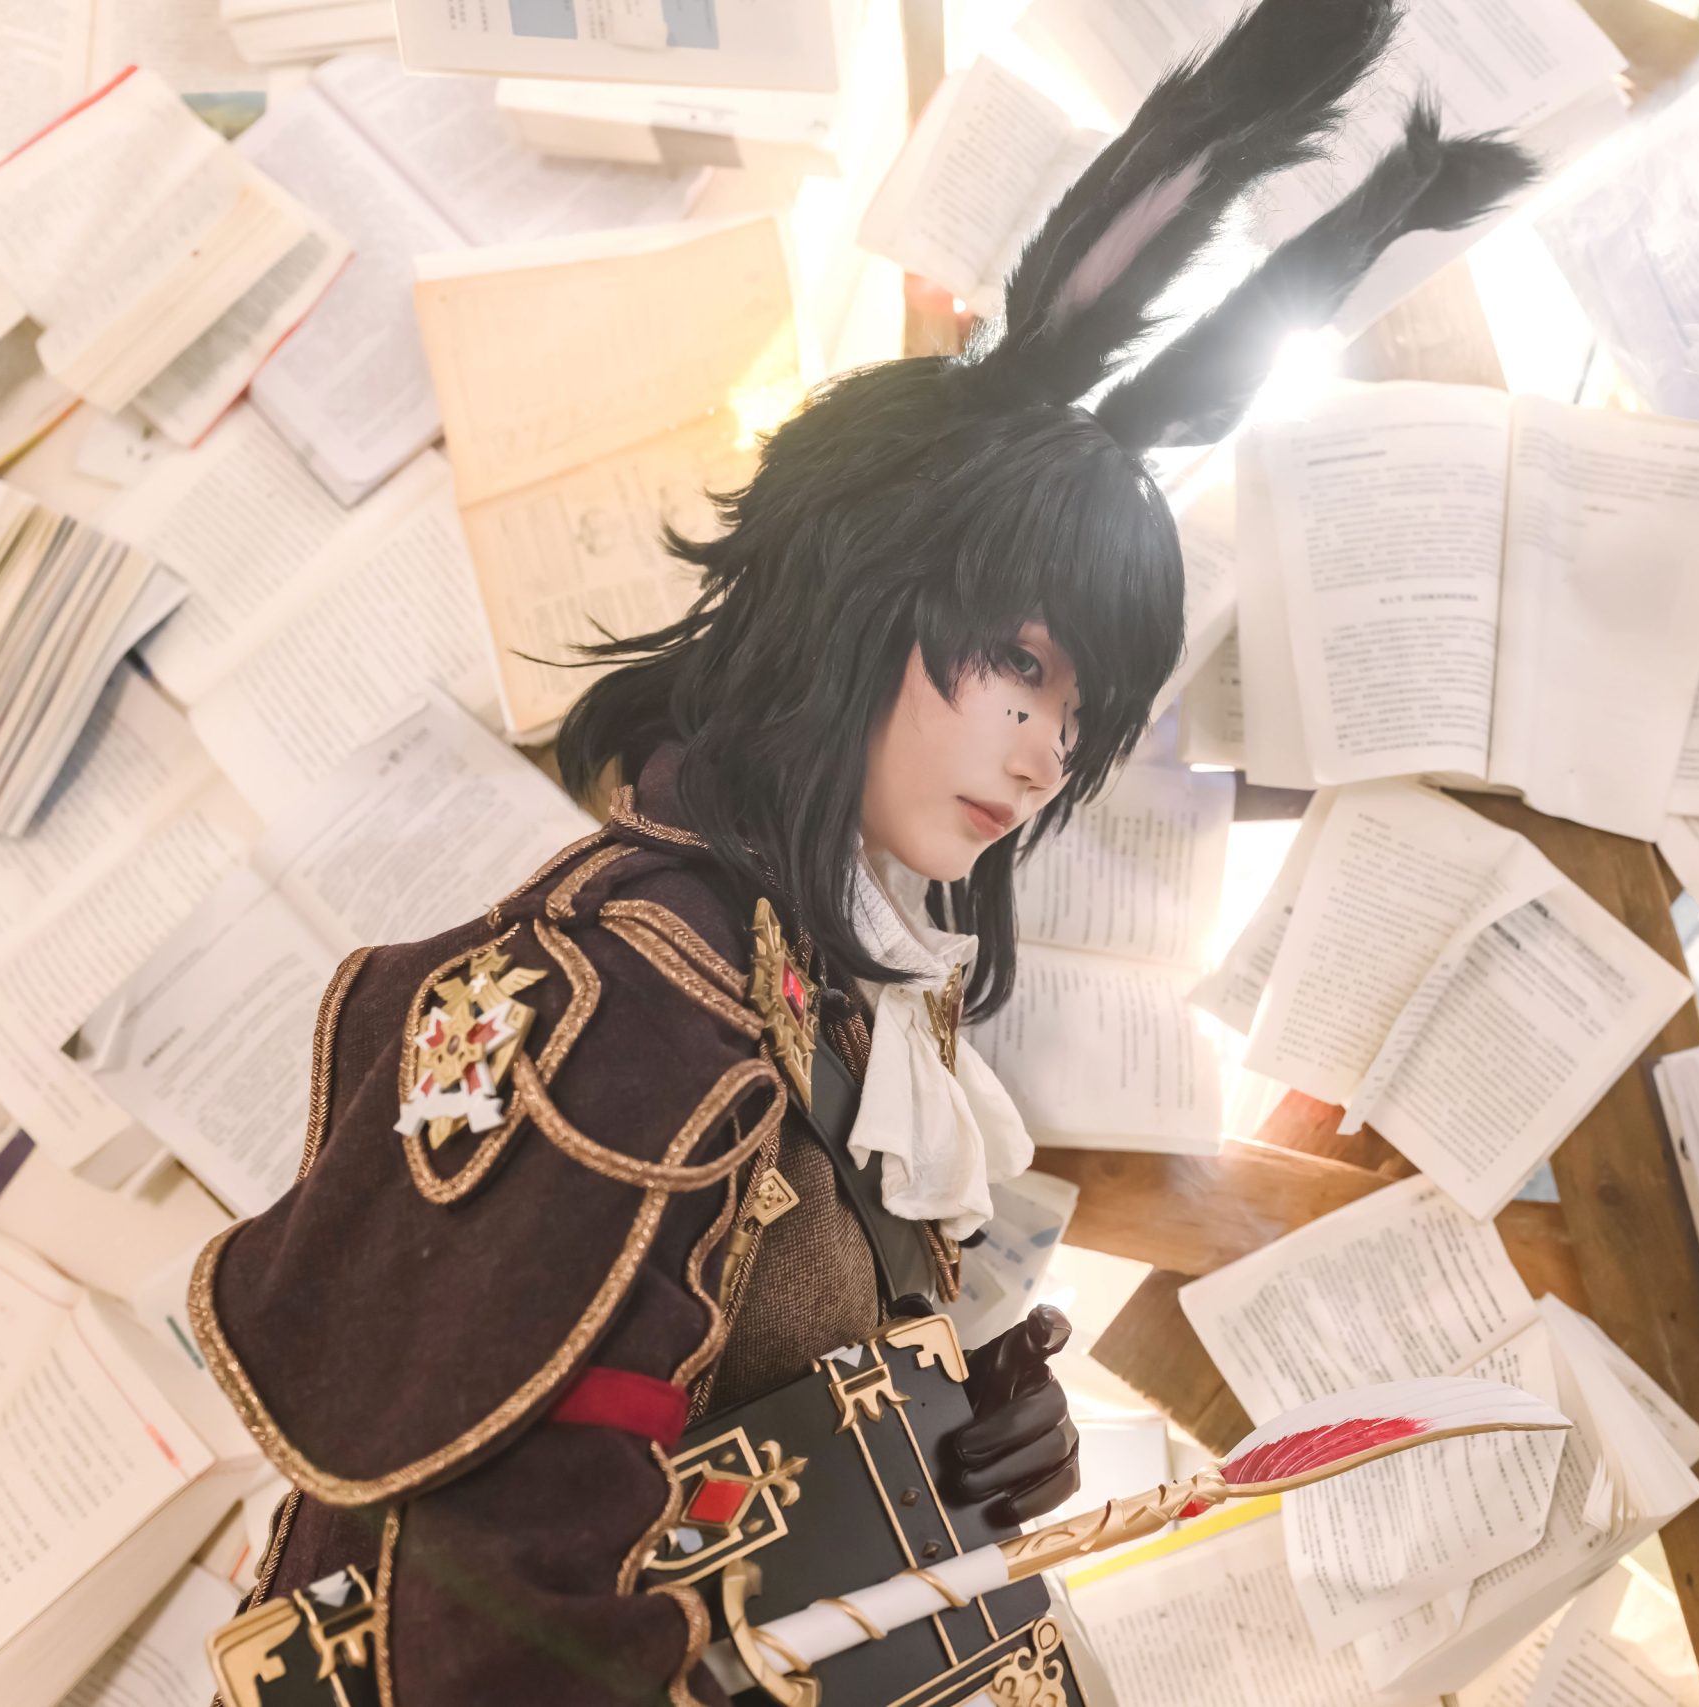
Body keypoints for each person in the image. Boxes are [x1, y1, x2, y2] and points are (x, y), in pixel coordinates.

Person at [189, 0, 1534, 1699]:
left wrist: (953, 1433)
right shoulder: (622, 1006)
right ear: (854, 598)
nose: (1042, 754)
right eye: (1018, 667)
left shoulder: (826, 981)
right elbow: (499, 1606)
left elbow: (744, 1445)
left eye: (1079, 712)